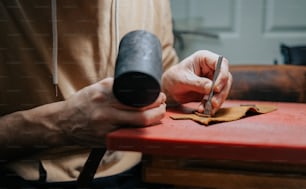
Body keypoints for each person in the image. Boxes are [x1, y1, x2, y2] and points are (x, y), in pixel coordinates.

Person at [0, 0, 232, 188]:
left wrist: (167, 88)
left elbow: (156, 83)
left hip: (138, 169)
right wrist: (60, 124)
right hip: (25, 175)